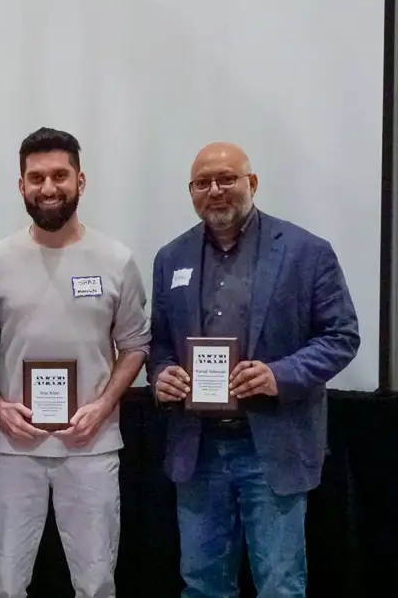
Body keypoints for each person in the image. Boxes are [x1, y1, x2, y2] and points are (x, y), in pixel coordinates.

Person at [148, 142, 360, 598]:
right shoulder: (171, 257)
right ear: (191, 191)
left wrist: (278, 375)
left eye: (227, 179)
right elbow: (160, 342)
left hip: (272, 445)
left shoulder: (306, 252)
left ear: (253, 183)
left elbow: (341, 337)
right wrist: (161, 374)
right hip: (198, 448)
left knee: (280, 585)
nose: (215, 190)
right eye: (202, 183)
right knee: (202, 584)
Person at [0, 127, 150, 598]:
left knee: (96, 584)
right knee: (6, 584)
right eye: (37, 178)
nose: (49, 187)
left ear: (81, 181)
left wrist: (103, 405)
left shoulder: (116, 260)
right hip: (13, 447)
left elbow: (136, 344)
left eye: (60, 175)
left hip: (91, 445)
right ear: (21, 186)